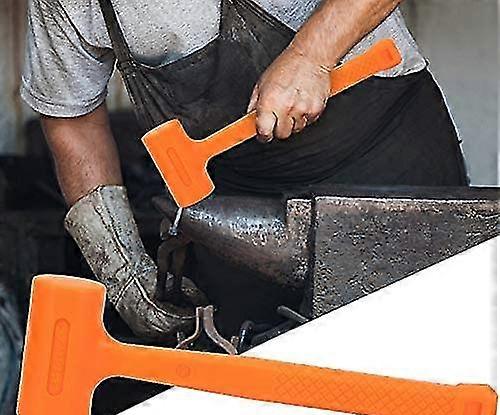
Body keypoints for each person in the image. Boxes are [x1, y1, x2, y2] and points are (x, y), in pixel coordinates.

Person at [21, 0, 468, 341]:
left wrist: (311, 55)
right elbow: (72, 120)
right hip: (235, 204)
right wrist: (123, 272)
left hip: (382, 154)